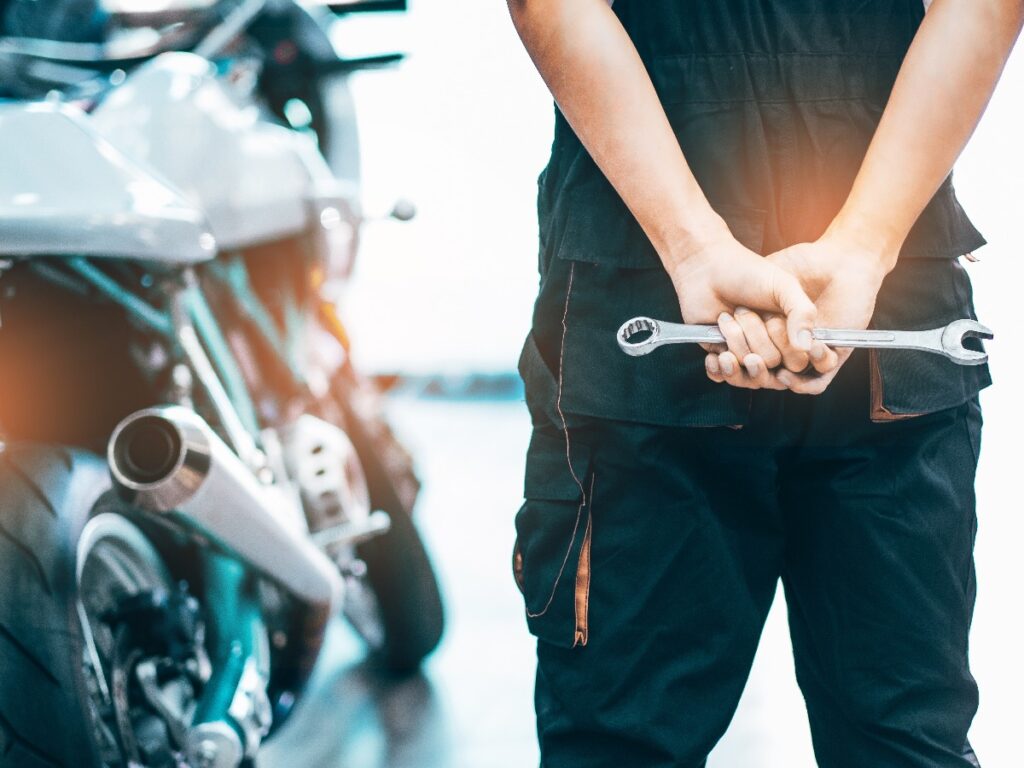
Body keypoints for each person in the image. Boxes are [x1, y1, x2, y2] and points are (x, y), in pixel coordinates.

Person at [506, 1, 1023, 766]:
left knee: (623, 740)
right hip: (809, 306)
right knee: (899, 739)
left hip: (663, 300)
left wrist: (706, 246)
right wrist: (859, 245)